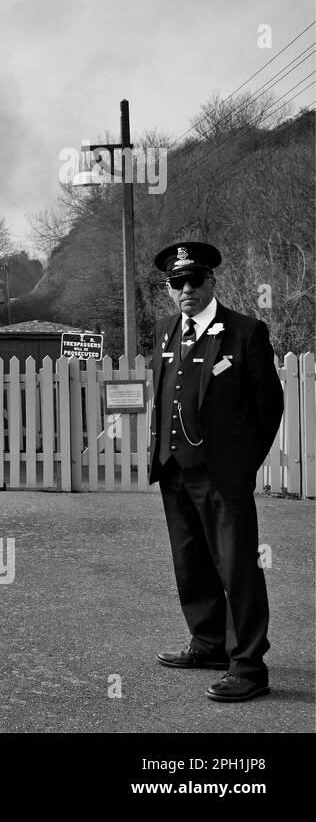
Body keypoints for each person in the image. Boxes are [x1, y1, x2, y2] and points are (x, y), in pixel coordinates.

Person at [148, 241, 284, 702]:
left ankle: (248, 667)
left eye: (194, 280)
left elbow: (269, 409)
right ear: (168, 290)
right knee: (190, 563)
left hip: (224, 477)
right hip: (174, 470)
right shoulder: (165, 331)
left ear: (211, 282)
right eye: (175, 282)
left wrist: (243, 468)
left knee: (238, 567)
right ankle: (208, 643)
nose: (185, 288)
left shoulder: (246, 332)